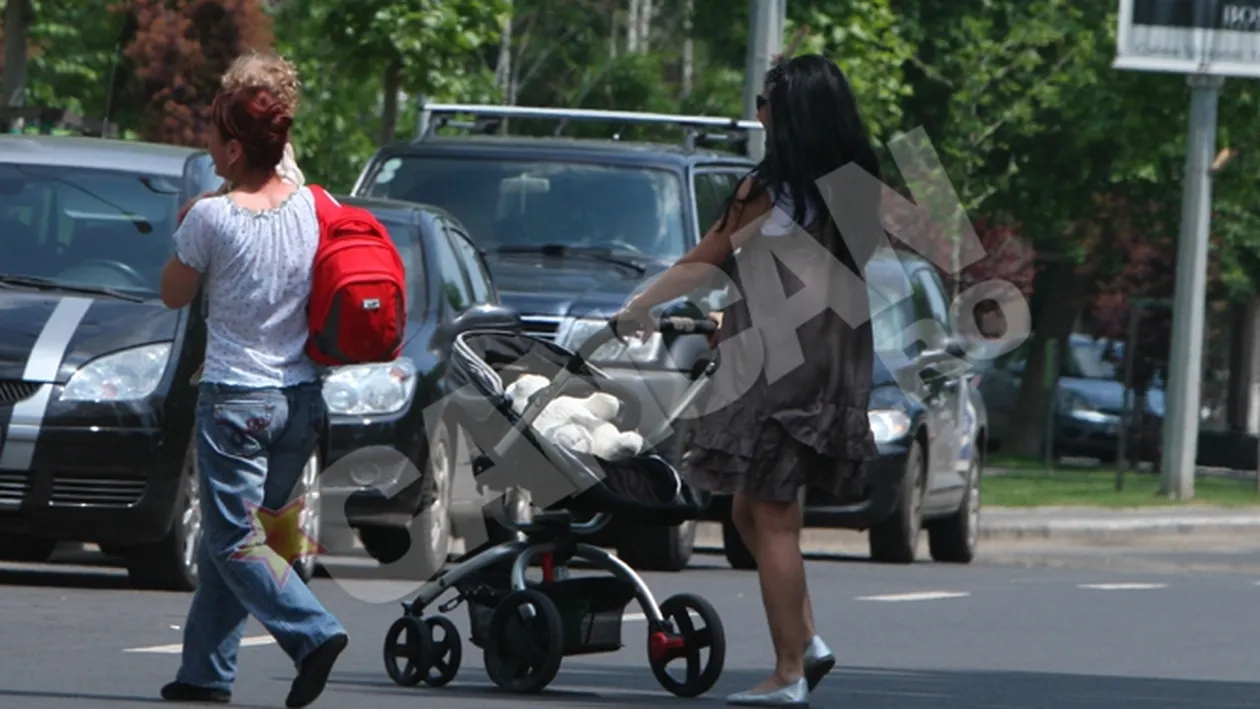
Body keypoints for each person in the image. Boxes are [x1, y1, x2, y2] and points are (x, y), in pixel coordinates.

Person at [614, 54, 883, 707]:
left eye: (766, 104)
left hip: (780, 372)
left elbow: (706, 257)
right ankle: (808, 642)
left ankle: (788, 671)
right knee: (749, 508)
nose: (758, 114)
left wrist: (638, 306)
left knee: (772, 515)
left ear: (789, 117)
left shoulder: (766, 187)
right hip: (831, 362)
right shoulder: (854, 189)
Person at [157, 84, 348, 708]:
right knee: (242, 538)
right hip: (299, 402)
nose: (206, 147)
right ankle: (204, 675)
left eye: (213, 136)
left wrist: (189, 225)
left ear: (236, 148)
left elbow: (173, 294)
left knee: (234, 541)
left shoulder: (214, 216)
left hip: (237, 399)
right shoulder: (313, 206)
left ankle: (312, 631)